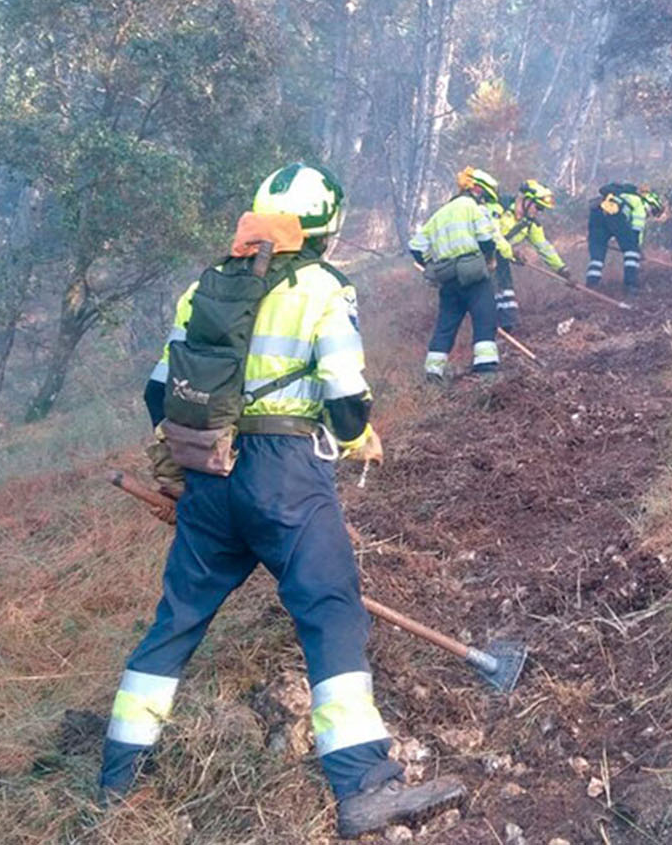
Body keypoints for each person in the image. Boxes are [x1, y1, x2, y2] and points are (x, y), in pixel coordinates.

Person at [102, 162, 466, 837]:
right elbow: (346, 399)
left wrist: (188, 469)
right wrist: (359, 440)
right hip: (285, 475)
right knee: (330, 612)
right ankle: (363, 784)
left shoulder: (204, 285)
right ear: (326, 231)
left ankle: (117, 783)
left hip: (207, 473)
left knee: (174, 623)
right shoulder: (323, 287)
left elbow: (159, 394)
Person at [410, 167, 501, 381]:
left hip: (448, 278)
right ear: (477, 189)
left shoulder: (440, 214)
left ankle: (433, 372)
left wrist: (430, 267)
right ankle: (485, 368)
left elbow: (415, 247)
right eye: (485, 196)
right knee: (484, 316)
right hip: (474, 275)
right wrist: (489, 261)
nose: (485, 201)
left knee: (446, 324)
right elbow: (486, 240)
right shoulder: (472, 208)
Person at [490, 179, 569, 331]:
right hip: (480, 253)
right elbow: (492, 234)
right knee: (487, 289)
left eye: (542, 209)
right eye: (538, 207)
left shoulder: (530, 224)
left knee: (505, 287)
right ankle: (488, 323)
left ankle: (507, 325)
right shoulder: (499, 207)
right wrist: (512, 253)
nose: (538, 212)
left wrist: (562, 270)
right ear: (526, 200)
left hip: (501, 256)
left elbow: (544, 247)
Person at [584, 182, 663, 297]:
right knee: (631, 251)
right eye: (652, 211)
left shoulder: (619, 196)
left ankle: (592, 284)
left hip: (597, 214)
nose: (649, 214)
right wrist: (637, 249)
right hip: (615, 215)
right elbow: (636, 230)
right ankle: (631, 285)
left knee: (597, 255)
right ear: (650, 203)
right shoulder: (638, 202)